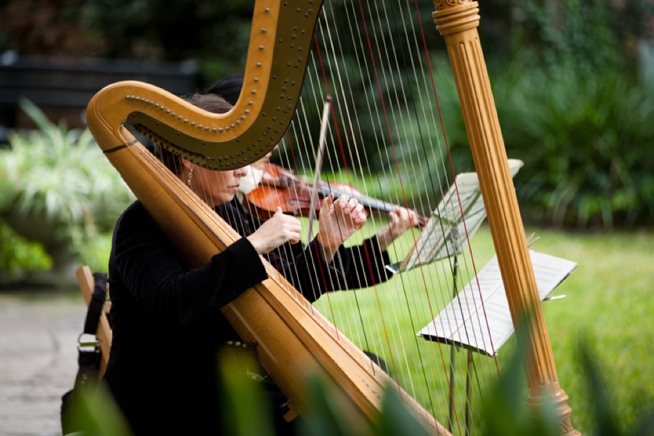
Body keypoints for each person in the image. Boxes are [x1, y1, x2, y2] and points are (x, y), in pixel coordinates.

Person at [102, 92, 390, 435]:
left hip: (221, 380)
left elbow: (276, 292)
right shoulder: (141, 223)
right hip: (166, 399)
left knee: (364, 380)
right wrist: (253, 245)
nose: (244, 169)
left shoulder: (226, 211)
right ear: (189, 158)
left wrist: (324, 245)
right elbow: (173, 303)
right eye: (231, 158)